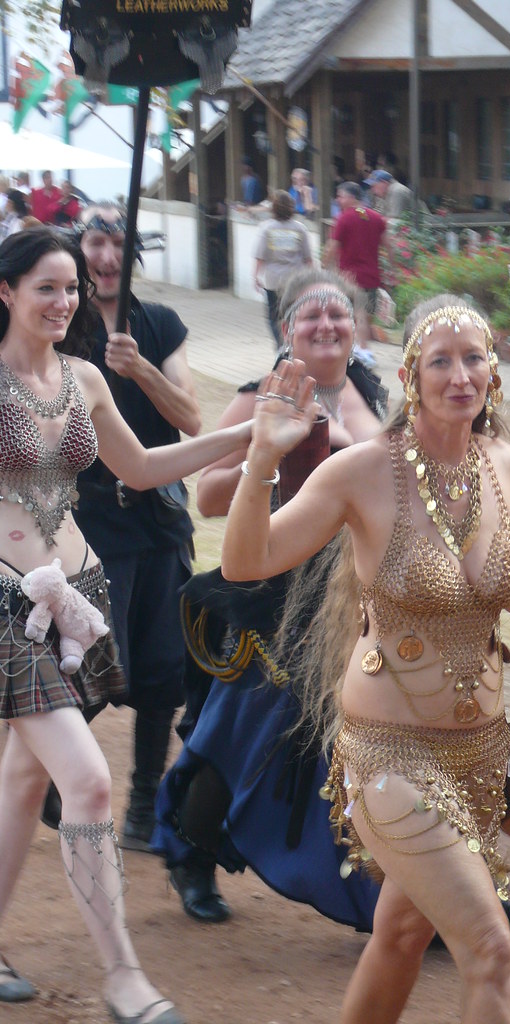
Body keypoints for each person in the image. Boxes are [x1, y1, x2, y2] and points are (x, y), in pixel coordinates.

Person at [220, 293, 510, 1023]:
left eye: (475, 357)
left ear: (495, 371)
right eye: (441, 361)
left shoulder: (500, 464)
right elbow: (245, 561)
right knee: (490, 946)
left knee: (402, 934)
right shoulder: (361, 472)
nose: (461, 375)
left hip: (479, 756)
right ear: (411, 372)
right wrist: (263, 455)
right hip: (390, 757)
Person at [0, 228, 253, 1020]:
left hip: (78, 596)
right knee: (90, 780)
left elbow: (142, 467)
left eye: (69, 287)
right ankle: (123, 979)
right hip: (8, 607)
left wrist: (249, 433)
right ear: (5, 292)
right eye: (45, 286)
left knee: (22, 778)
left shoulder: (82, 377)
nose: (63, 300)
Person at [153, 267, 386, 927]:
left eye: (339, 315)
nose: (327, 326)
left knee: (367, 739)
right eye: (311, 317)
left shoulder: (373, 391)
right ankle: (191, 854)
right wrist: (271, 454)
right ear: (286, 330)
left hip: (358, 594)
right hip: (277, 592)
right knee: (239, 731)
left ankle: (393, 889)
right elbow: (206, 495)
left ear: (358, 324)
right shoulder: (262, 395)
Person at [72, 202, 202, 854]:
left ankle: (144, 805)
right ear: (81, 247)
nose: (107, 256)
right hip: (85, 521)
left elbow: (193, 417)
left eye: (119, 242)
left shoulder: (159, 325)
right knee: (89, 666)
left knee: (163, 672)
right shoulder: (58, 323)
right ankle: (39, 778)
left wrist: (141, 368)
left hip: (158, 521)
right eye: (97, 241)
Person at [323, 180, 394, 359]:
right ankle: (358, 346)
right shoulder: (377, 218)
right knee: (365, 314)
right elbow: (389, 245)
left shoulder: (344, 219)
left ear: (351, 197)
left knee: (358, 314)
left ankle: (362, 350)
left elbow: (332, 247)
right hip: (372, 275)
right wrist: (393, 269)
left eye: (340, 196)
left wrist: (324, 266)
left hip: (350, 277)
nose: (338, 200)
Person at [252, 190, 313, 349]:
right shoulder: (300, 228)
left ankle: (281, 345)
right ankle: (294, 343)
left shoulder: (266, 228)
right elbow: (308, 258)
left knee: (274, 316)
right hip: (295, 279)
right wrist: (313, 278)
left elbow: (260, 256)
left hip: (273, 279)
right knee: (294, 313)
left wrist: (255, 276)